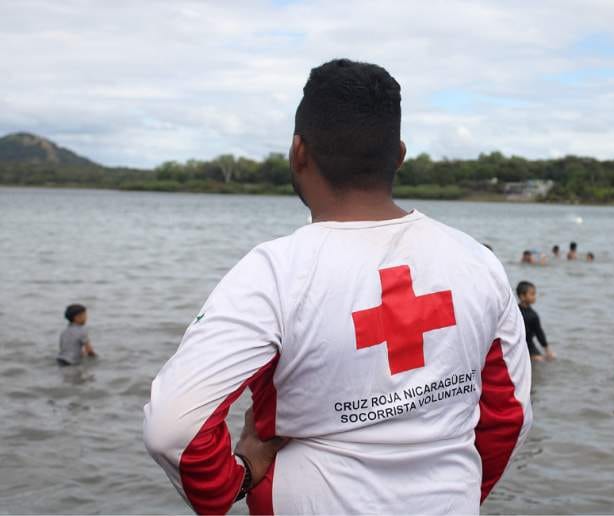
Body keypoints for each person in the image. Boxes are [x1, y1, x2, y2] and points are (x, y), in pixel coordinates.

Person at [143, 59, 532, 516]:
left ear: (298, 152)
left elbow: (174, 429)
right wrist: (456, 494)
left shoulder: (275, 273)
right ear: (399, 155)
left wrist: (236, 477)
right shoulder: (478, 262)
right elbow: (510, 416)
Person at [516, 281, 556, 362]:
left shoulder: (515, 311)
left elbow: (539, 333)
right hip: (523, 344)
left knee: (539, 360)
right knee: (540, 360)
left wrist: (547, 349)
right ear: (522, 296)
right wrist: (547, 350)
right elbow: (539, 332)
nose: (535, 296)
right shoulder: (529, 315)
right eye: (532, 294)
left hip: (525, 345)